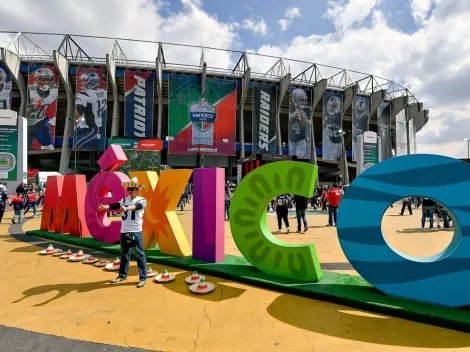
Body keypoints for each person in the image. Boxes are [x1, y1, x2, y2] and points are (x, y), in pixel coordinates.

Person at [97, 177, 148, 288]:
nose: (129, 191)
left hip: (136, 231)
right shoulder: (124, 200)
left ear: (137, 190)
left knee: (140, 254)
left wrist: (127, 208)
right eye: (128, 189)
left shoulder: (142, 200)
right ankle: (122, 275)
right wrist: (105, 207)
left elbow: (138, 206)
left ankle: (143, 277)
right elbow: (115, 205)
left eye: (131, 189)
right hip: (124, 231)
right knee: (124, 254)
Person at [74, 71, 107, 150]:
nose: (81, 83)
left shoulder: (84, 94)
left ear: (91, 82)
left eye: (84, 81)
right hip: (100, 125)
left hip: (90, 127)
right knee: (97, 149)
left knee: (78, 147)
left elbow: (77, 113)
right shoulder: (103, 92)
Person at [27, 67, 58, 150]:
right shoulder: (29, 90)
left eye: (48, 80)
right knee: (23, 148)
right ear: (37, 80)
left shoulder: (53, 91)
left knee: (48, 147)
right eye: (43, 80)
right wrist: (34, 107)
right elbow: (23, 111)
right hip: (26, 123)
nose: (46, 82)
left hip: (39, 121)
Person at [288, 88, 312, 159]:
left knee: (299, 156)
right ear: (295, 99)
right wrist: (292, 116)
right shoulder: (290, 107)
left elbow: (311, 125)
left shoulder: (308, 109)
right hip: (291, 139)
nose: (304, 102)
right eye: (301, 100)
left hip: (301, 139)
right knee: (291, 158)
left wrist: (305, 120)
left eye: (305, 100)